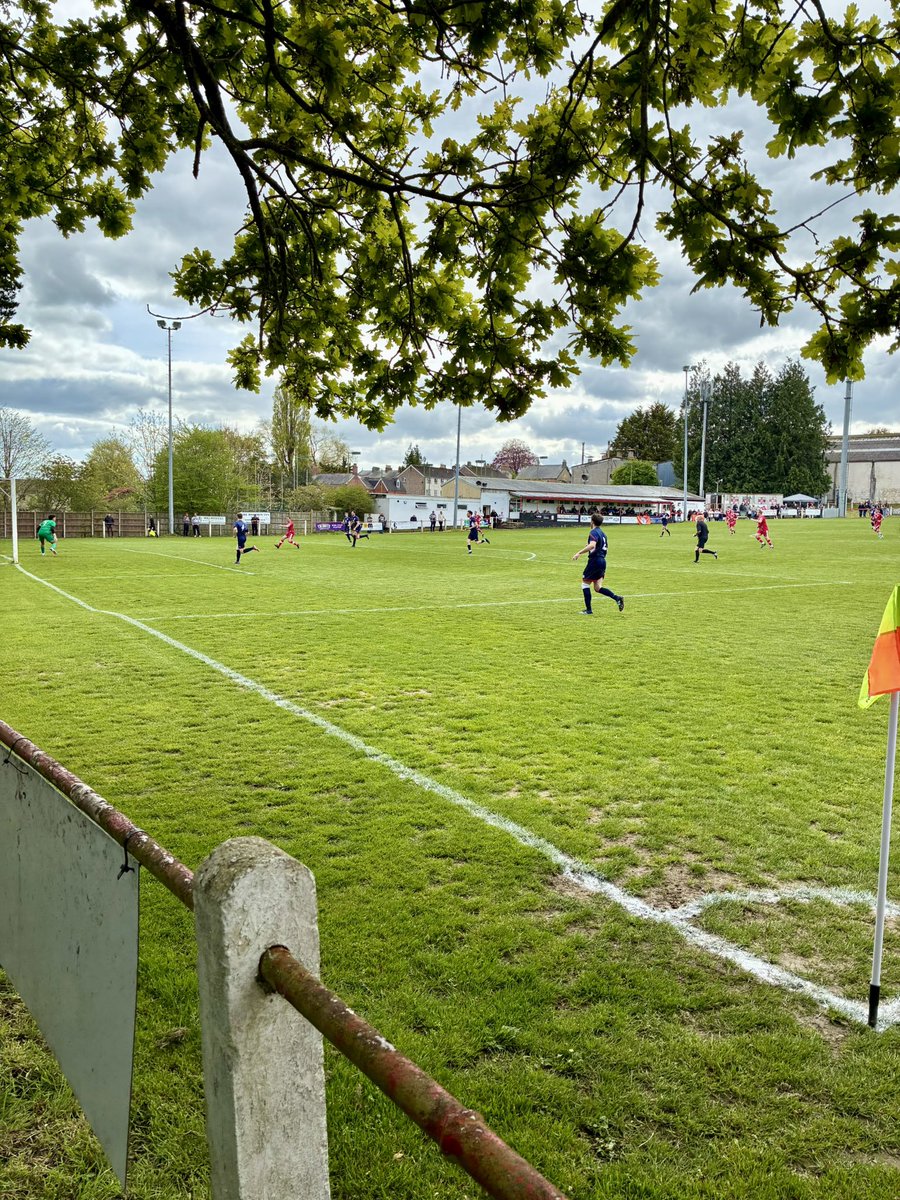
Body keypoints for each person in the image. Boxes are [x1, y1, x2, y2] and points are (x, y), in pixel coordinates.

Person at [572, 514, 624, 615]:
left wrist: (579, 553)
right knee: (597, 587)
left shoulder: (593, 532)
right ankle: (617, 598)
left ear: (592, 521)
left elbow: (592, 545)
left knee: (585, 583)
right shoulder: (603, 534)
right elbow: (603, 548)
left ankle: (589, 610)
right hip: (602, 561)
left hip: (595, 561)